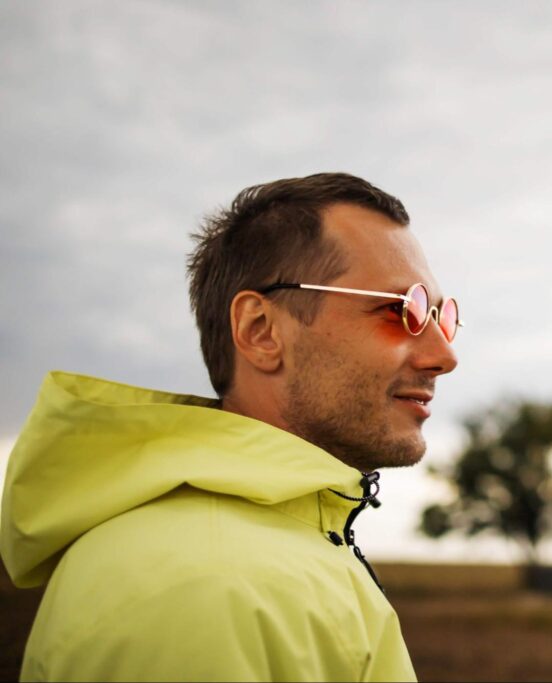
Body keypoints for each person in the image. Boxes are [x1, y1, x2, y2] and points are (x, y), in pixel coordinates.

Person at [0, 173, 460, 681]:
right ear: (261, 331)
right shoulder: (209, 584)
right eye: (403, 311)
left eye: (441, 316)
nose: (444, 355)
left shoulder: (260, 554)